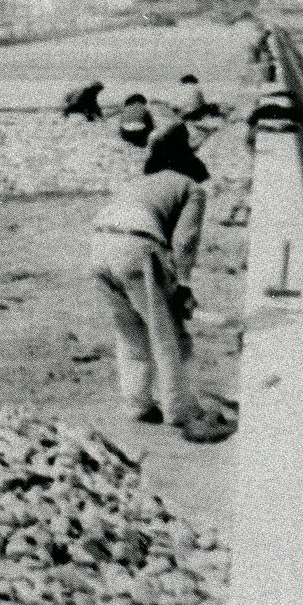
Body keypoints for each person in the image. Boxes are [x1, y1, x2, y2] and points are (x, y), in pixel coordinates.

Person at [90, 140, 227, 442]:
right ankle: (181, 410)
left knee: (128, 330)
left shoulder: (140, 182)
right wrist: (183, 285)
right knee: (165, 332)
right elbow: (185, 240)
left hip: (98, 246)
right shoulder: (191, 187)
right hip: (135, 246)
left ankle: (137, 404)